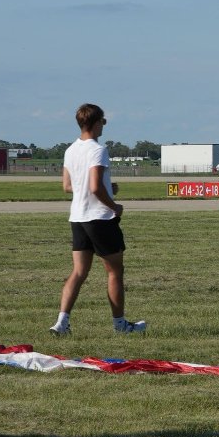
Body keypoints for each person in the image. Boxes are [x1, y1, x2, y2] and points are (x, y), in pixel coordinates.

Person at [53, 103, 145, 338]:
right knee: (115, 271)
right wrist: (115, 206)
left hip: (78, 217)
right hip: (100, 218)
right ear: (95, 123)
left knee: (79, 272)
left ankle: (61, 323)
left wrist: (107, 187)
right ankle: (120, 324)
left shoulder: (70, 150)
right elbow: (94, 187)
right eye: (103, 121)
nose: (104, 126)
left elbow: (67, 186)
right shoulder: (98, 149)